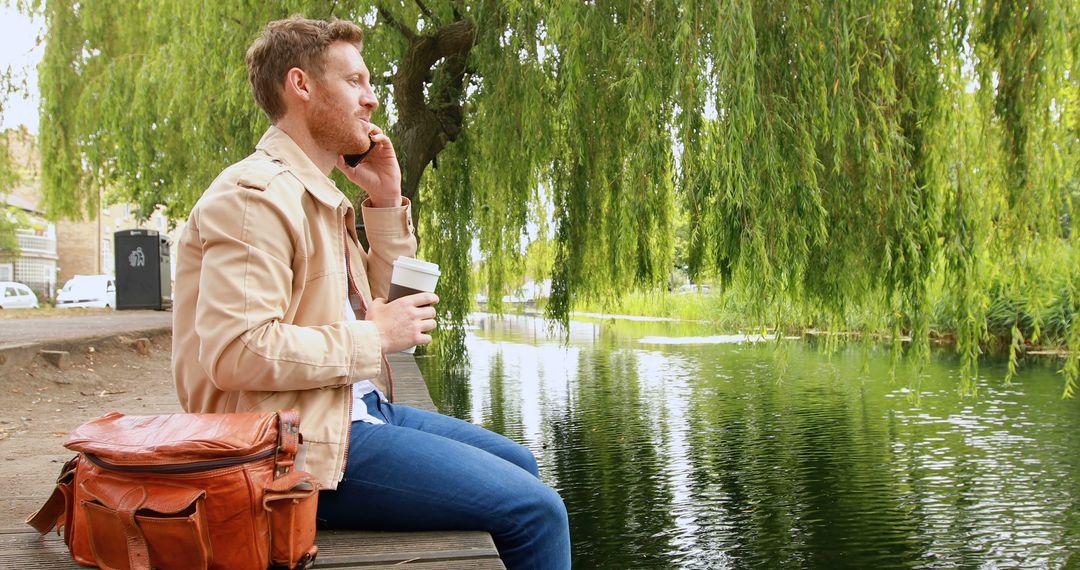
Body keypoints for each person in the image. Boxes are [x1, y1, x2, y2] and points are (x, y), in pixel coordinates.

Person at [171, 16, 570, 569]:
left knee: (522, 463)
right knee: (539, 512)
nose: (372, 99)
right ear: (301, 86)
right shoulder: (254, 198)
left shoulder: (316, 195)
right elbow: (235, 352)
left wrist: (385, 202)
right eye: (355, 81)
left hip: (351, 406)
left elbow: (375, 300)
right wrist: (374, 336)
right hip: (290, 446)